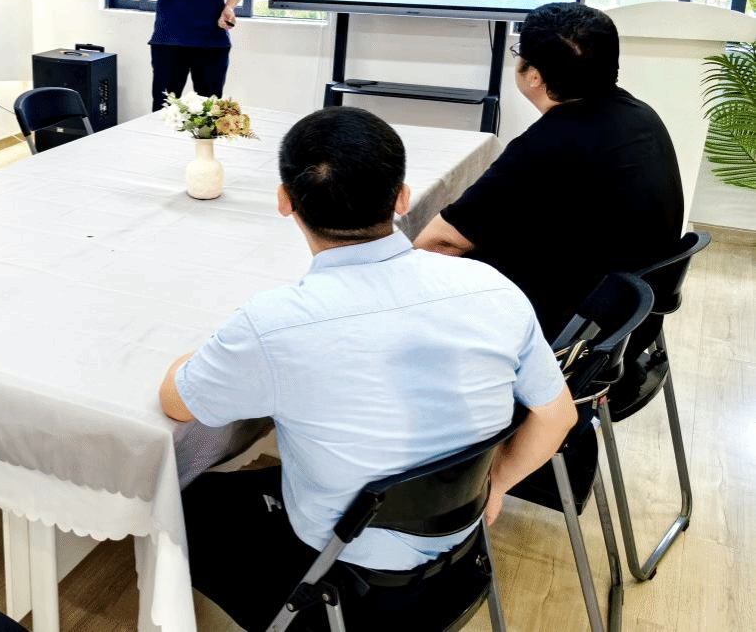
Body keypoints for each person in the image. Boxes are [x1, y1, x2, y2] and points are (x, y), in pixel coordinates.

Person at [160, 107, 575, 632]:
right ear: (402, 198)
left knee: (184, 499)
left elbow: (178, 402)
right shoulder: (493, 288)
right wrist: (496, 482)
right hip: (461, 548)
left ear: (284, 201)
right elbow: (558, 416)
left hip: (340, 569)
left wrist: (192, 358)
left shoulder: (273, 324)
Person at [414, 3, 685, 344]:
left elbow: (436, 244)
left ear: (534, 75)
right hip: (627, 325)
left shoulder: (548, 146)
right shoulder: (641, 116)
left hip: (565, 333)